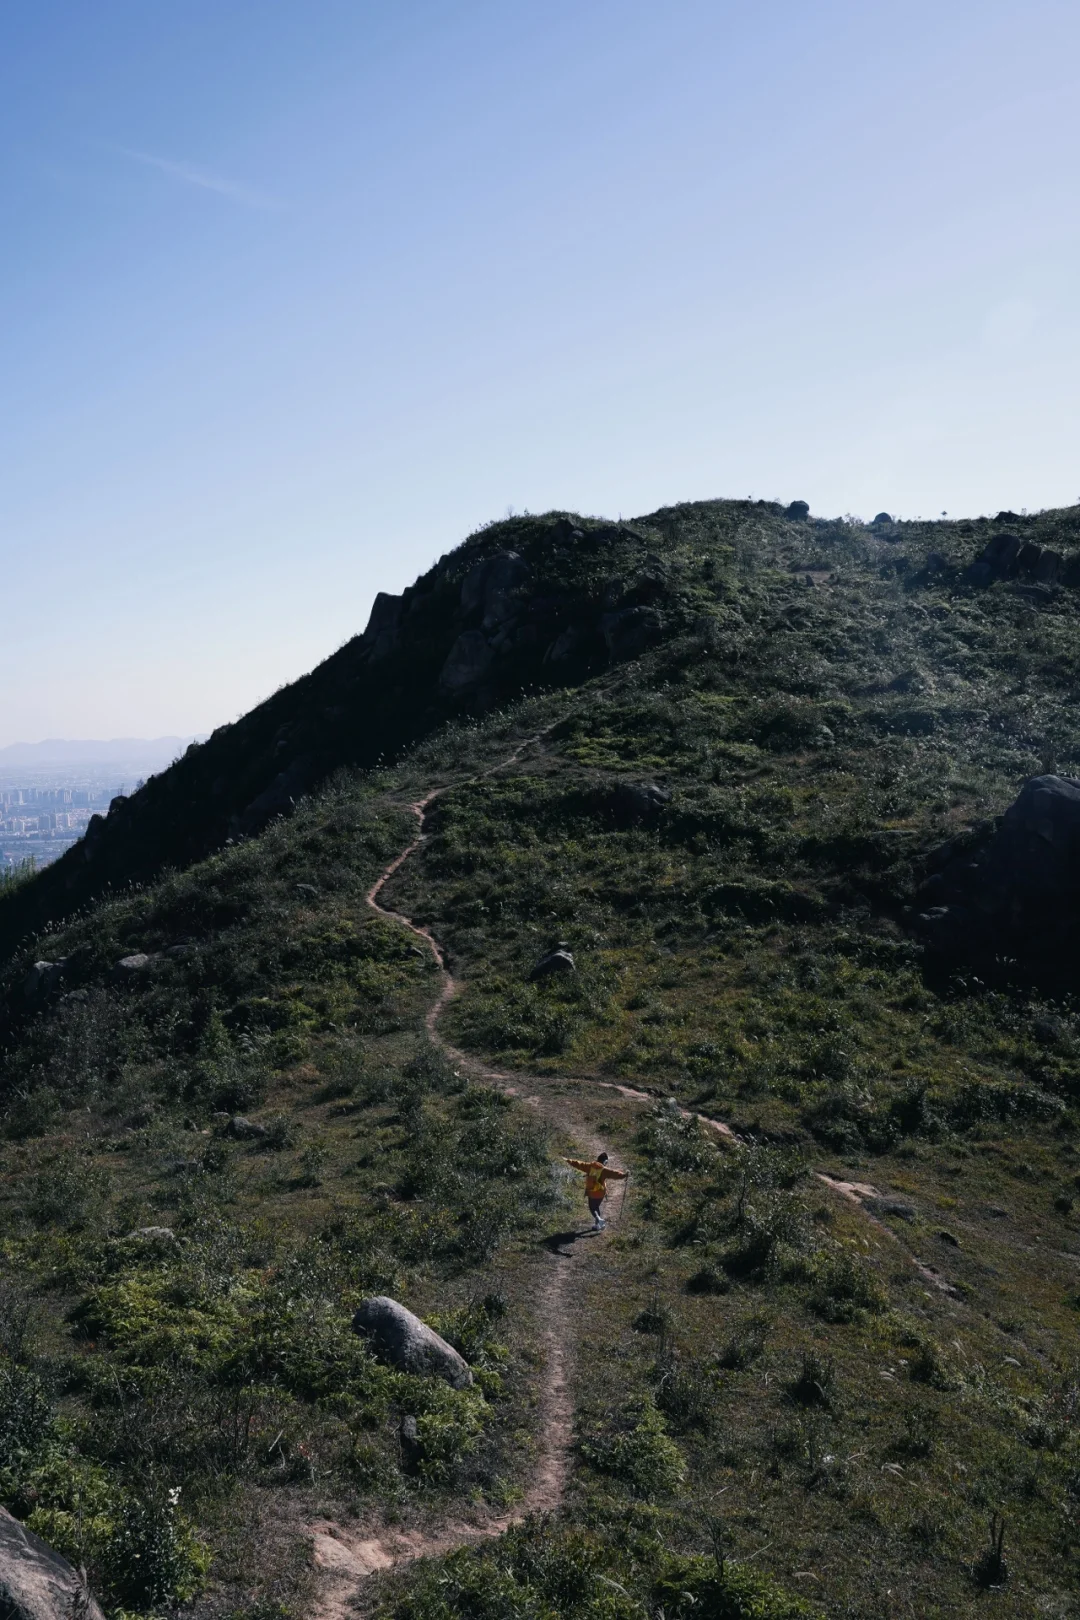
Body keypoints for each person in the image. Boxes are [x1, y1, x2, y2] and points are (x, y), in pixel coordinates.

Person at [565, 1152, 627, 1230]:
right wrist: (624, 1175)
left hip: (592, 1192)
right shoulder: (604, 1170)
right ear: (605, 1162)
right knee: (596, 1207)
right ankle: (598, 1225)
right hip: (601, 1192)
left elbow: (579, 1164)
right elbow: (614, 1174)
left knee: (592, 1208)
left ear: (598, 1159)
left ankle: (599, 1219)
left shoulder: (589, 1166)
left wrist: (568, 1160)